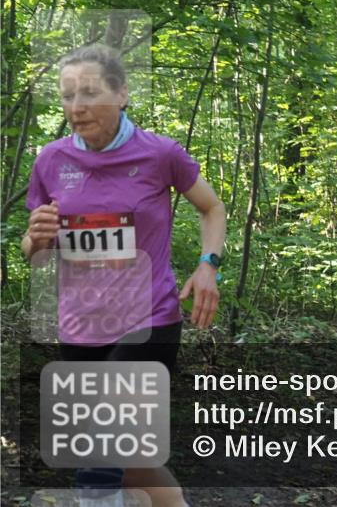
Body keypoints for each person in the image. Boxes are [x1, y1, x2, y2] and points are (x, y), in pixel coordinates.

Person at [22, 44, 225, 507]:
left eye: (90, 93)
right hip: (80, 324)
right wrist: (35, 239)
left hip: (148, 318)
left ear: (122, 94)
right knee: (130, 455)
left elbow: (212, 208)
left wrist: (207, 265)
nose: (77, 107)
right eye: (68, 95)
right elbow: (35, 254)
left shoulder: (160, 154)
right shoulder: (51, 160)